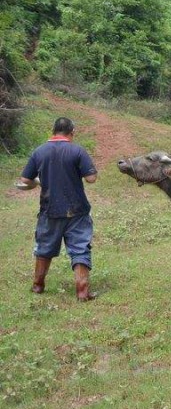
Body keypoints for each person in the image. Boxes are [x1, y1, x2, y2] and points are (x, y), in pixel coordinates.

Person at [17, 117, 98, 301]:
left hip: (49, 209)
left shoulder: (39, 151)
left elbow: (25, 180)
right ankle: (82, 291)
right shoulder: (77, 150)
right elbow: (91, 178)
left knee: (44, 248)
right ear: (72, 131)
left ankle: (38, 286)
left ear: (53, 131)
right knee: (80, 248)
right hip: (77, 210)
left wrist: (38, 182)